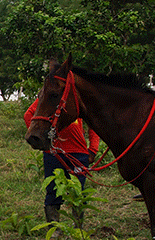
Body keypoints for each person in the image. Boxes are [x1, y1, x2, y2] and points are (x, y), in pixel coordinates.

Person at [23, 97, 99, 226]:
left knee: (78, 190)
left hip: (78, 152)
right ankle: (54, 227)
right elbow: (28, 115)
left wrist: (93, 149)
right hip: (54, 152)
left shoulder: (76, 98)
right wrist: (42, 138)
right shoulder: (48, 97)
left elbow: (93, 122)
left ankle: (77, 227)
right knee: (53, 189)